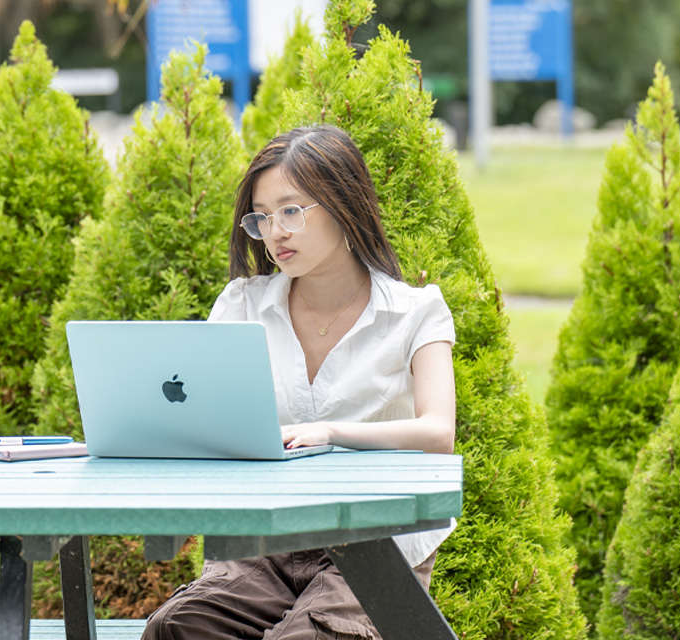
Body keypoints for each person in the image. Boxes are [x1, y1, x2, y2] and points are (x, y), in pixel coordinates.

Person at [142, 125, 457, 640]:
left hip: (374, 543)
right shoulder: (243, 305)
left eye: (291, 211)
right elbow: (202, 418)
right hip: (263, 543)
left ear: (344, 205)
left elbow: (438, 432)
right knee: (177, 627)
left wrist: (330, 433)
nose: (275, 233)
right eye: (262, 217)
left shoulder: (416, 312)